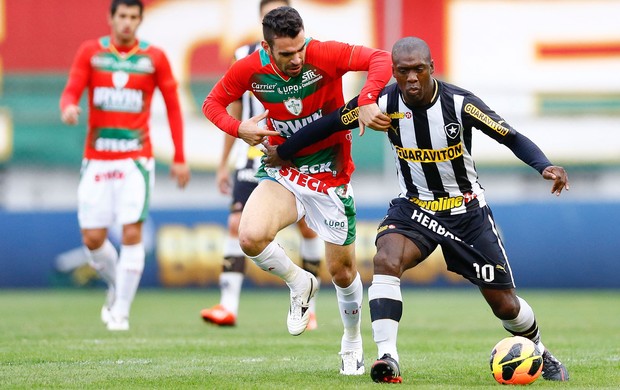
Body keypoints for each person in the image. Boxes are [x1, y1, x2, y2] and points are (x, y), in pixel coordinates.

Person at [264, 36, 570, 383]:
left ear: (431, 69)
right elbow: (331, 123)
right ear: (392, 72)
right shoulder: (380, 101)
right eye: (403, 71)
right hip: (415, 208)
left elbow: (509, 136)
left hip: (466, 212)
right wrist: (285, 150)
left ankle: (541, 351)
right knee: (385, 259)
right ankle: (387, 358)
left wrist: (543, 165)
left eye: (418, 70)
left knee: (505, 305)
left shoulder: (461, 104)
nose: (411, 78)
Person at [203, 6, 392, 375]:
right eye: (286, 53)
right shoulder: (249, 68)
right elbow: (212, 103)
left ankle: (352, 340)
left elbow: (381, 59)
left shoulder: (323, 53)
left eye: (300, 49)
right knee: (250, 236)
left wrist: (367, 98)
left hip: (330, 174)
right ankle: (300, 282)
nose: (296, 59)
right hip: (283, 168)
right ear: (266, 47)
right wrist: (237, 127)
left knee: (342, 272)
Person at [59, 0, 190, 331]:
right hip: (97, 158)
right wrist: (69, 107)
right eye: (123, 16)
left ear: (140, 20)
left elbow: (174, 107)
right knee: (92, 238)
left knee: (132, 231)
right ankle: (118, 285)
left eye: (134, 17)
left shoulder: (154, 57)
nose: (128, 23)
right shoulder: (91, 52)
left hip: (135, 159)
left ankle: (121, 312)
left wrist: (178, 156)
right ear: (111, 18)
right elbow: (71, 90)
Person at [200, 0, 323, 330]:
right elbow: (233, 112)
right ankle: (228, 305)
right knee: (236, 223)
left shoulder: (305, 57)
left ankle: (308, 306)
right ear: (263, 23)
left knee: (308, 227)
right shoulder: (243, 58)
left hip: (296, 155)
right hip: (252, 156)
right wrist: (223, 163)